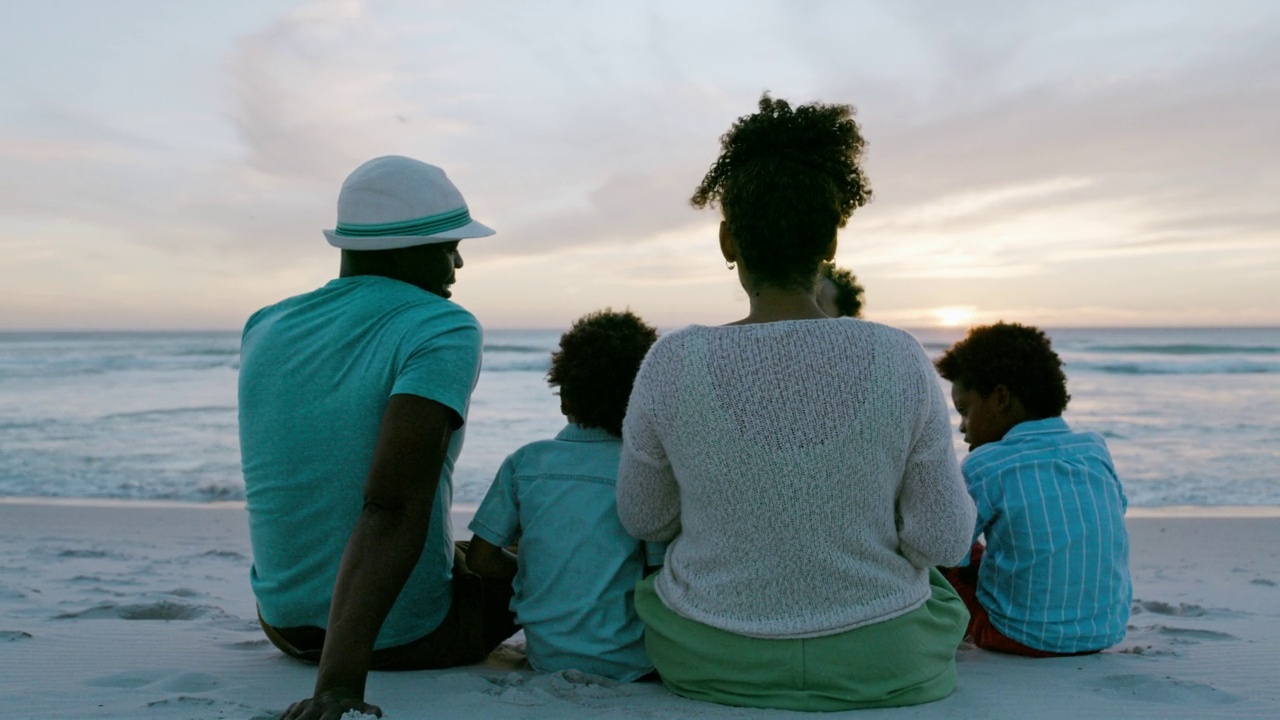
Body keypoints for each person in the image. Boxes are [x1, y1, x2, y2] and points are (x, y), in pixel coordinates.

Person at [615, 95, 976, 711]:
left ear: (729, 241)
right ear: (831, 239)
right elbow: (943, 540)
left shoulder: (672, 362)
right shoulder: (898, 357)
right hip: (883, 658)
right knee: (937, 595)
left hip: (713, 654)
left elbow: (644, 519)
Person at [239, 155, 517, 720]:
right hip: (402, 638)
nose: (459, 261)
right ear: (402, 249)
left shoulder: (265, 324)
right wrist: (337, 687)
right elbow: (392, 504)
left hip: (283, 624)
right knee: (554, 551)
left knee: (471, 552)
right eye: (448, 244)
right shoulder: (441, 325)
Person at [465, 309, 665, 681]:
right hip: (633, 660)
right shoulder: (644, 471)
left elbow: (480, 559)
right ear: (640, 399)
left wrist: (538, 566)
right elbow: (657, 573)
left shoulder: (525, 463)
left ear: (564, 396)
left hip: (547, 654)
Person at [935, 322, 1132, 657]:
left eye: (965, 410)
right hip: (1104, 630)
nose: (962, 427)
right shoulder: (1094, 449)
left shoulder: (986, 464)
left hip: (1015, 634)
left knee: (936, 552)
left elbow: (943, 548)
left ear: (999, 398)